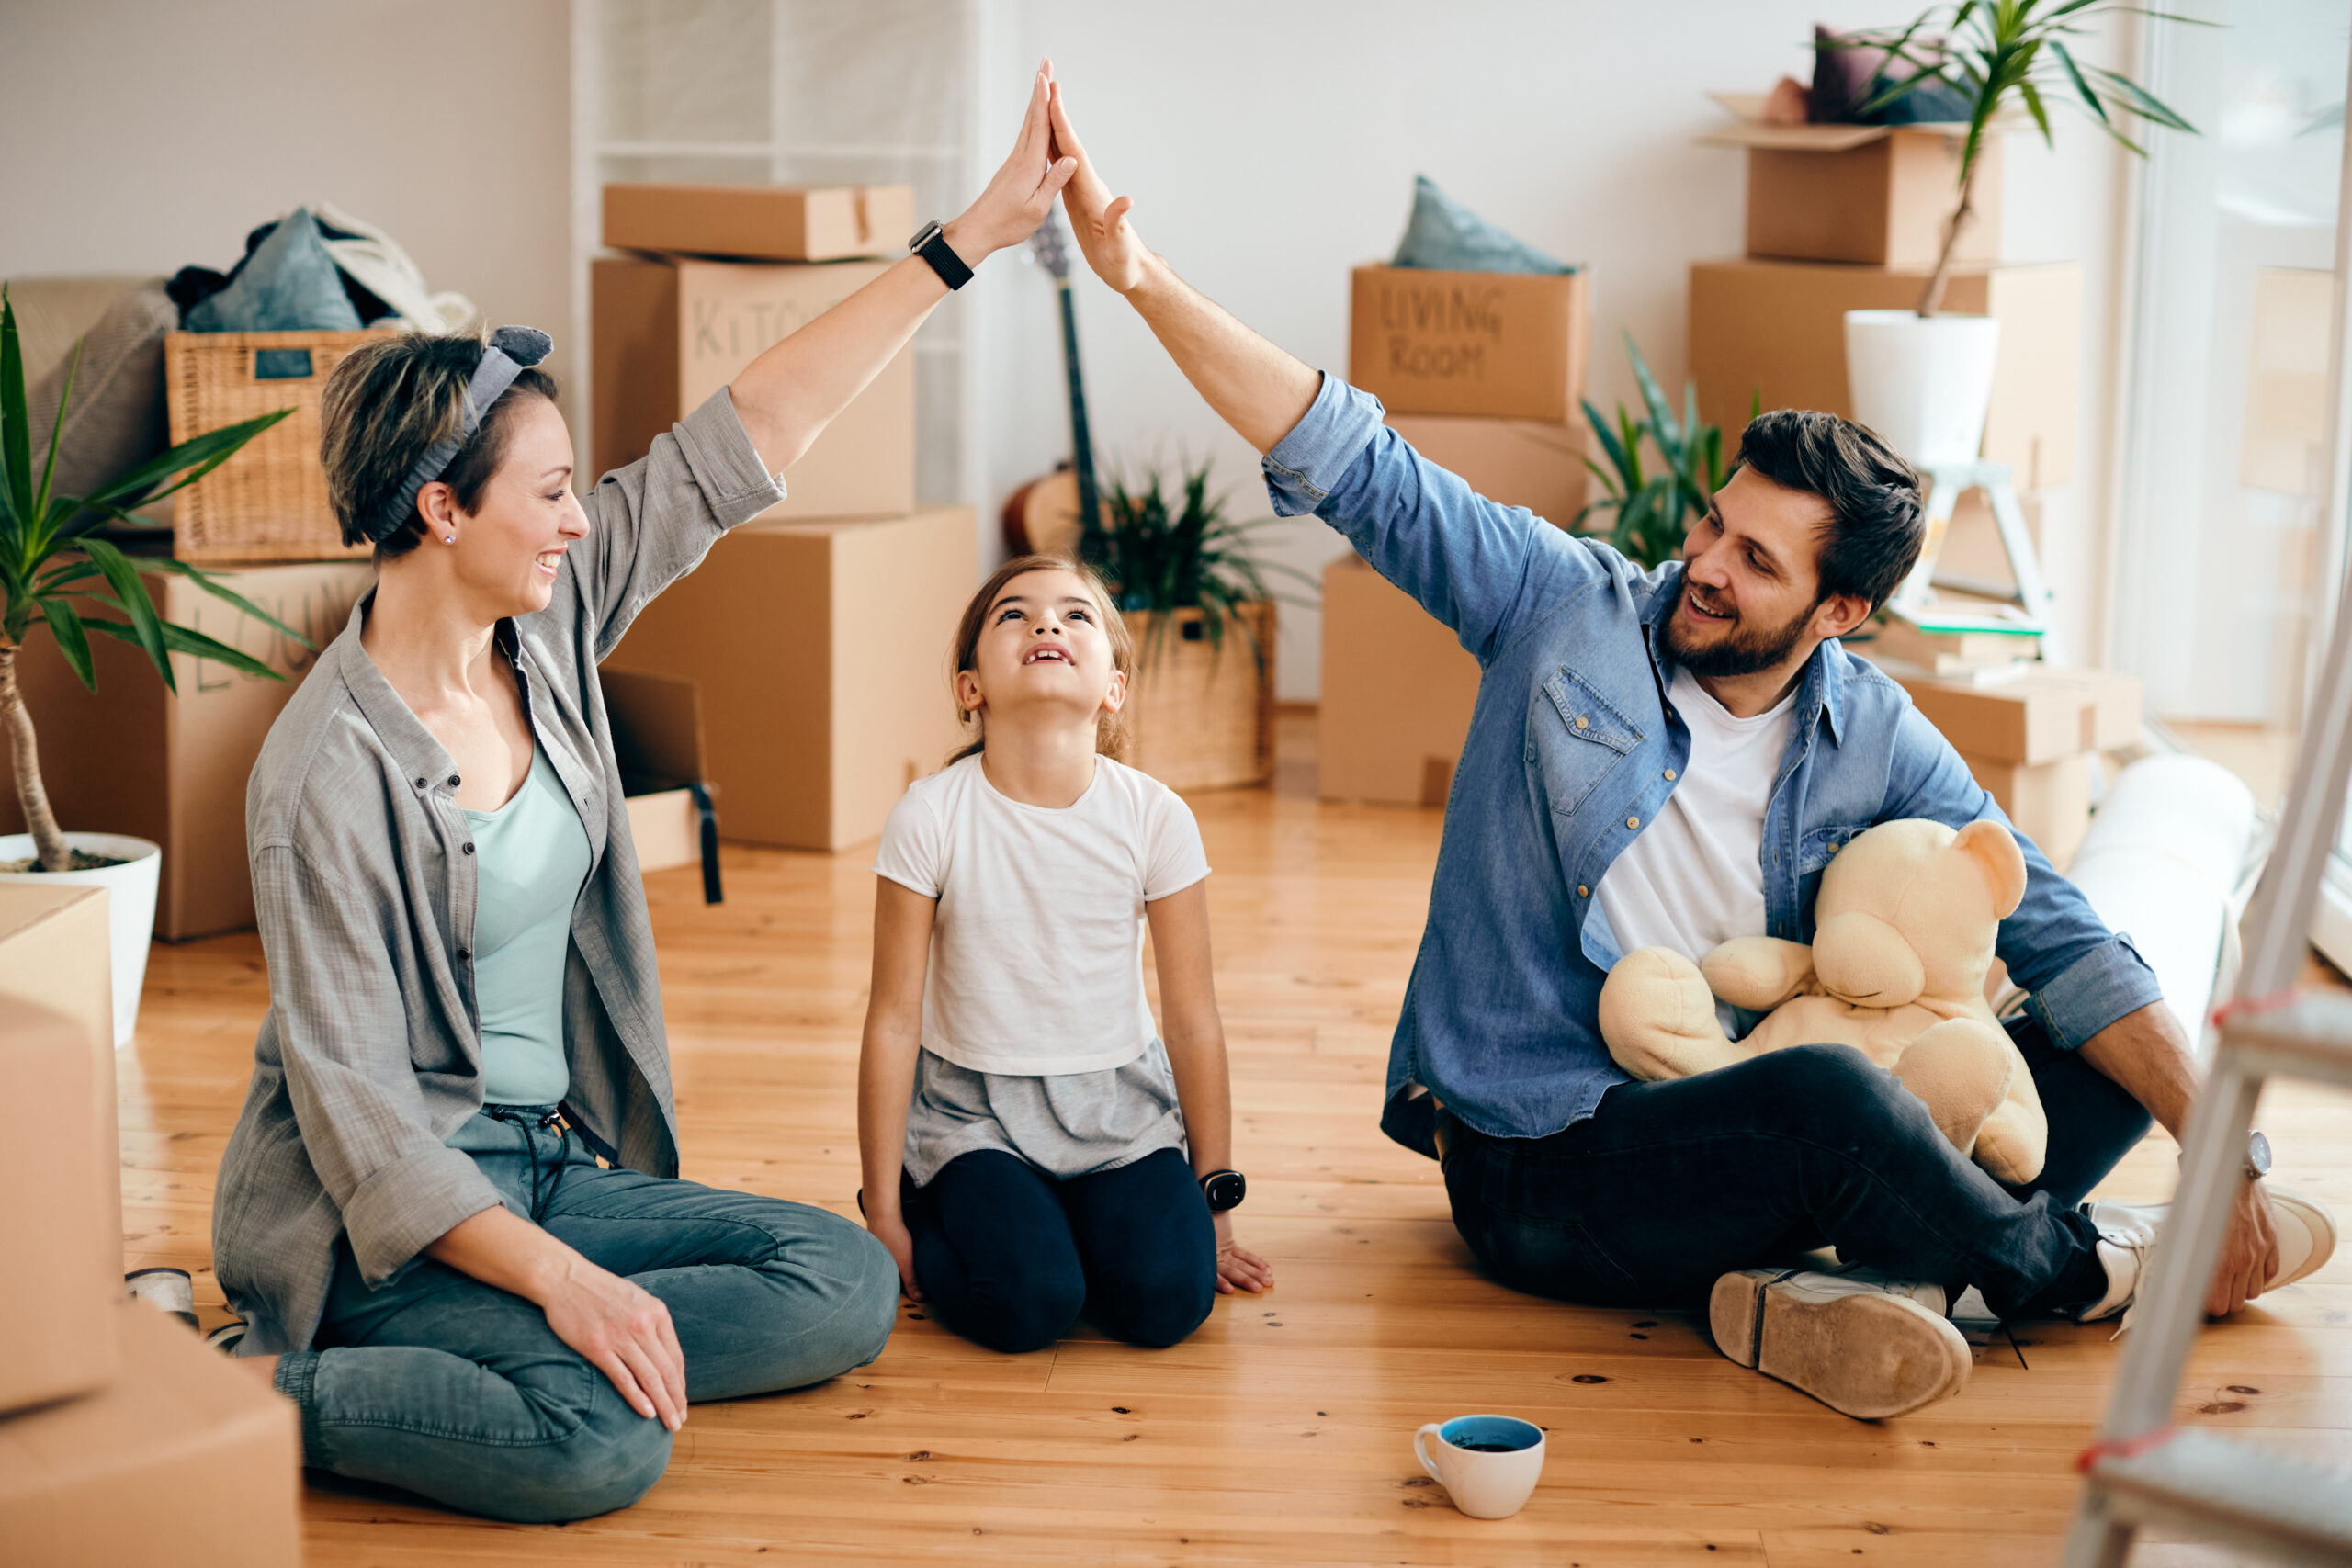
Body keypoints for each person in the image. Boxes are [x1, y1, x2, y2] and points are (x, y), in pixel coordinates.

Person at [1037, 71, 2336, 1420]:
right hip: (1552, 1161)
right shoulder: (1563, 608)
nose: (1703, 563)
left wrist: (2227, 1152)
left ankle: (1831, 1286)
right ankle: (2071, 1275)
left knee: (2095, 1068)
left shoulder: (1872, 726)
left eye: (1754, 559)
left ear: (1841, 613)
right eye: (1716, 522)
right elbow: (1352, 456)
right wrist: (1139, 277)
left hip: (1745, 1118)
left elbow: (2063, 937)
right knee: (1829, 1095)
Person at [208, 66, 1081, 1522]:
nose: (577, 514)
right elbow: (366, 1125)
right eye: (547, 490)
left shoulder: (536, 626)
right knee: (601, 1448)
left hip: (551, 1164)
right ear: (440, 509)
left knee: (846, 1278)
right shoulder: (319, 776)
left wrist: (971, 237)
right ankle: (261, 1386)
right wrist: (569, 1289)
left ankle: (549, 1348)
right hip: (385, 1225)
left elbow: (742, 437)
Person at [856, 556, 1273, 1355]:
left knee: (1169, 1304)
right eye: (1014, 614)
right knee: (1029, 1306)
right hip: (975, 1117)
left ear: (1114, 686)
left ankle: (1068, 1226)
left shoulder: (1156, 816)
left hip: (1118, 1113)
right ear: (970, 686)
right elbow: (891, 1019)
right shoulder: (929, 816)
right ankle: (950, 1203)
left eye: (1076, 614)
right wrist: (883, 1211)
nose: (1047, 623)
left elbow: (1192, 1021)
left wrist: (1213, 1202)